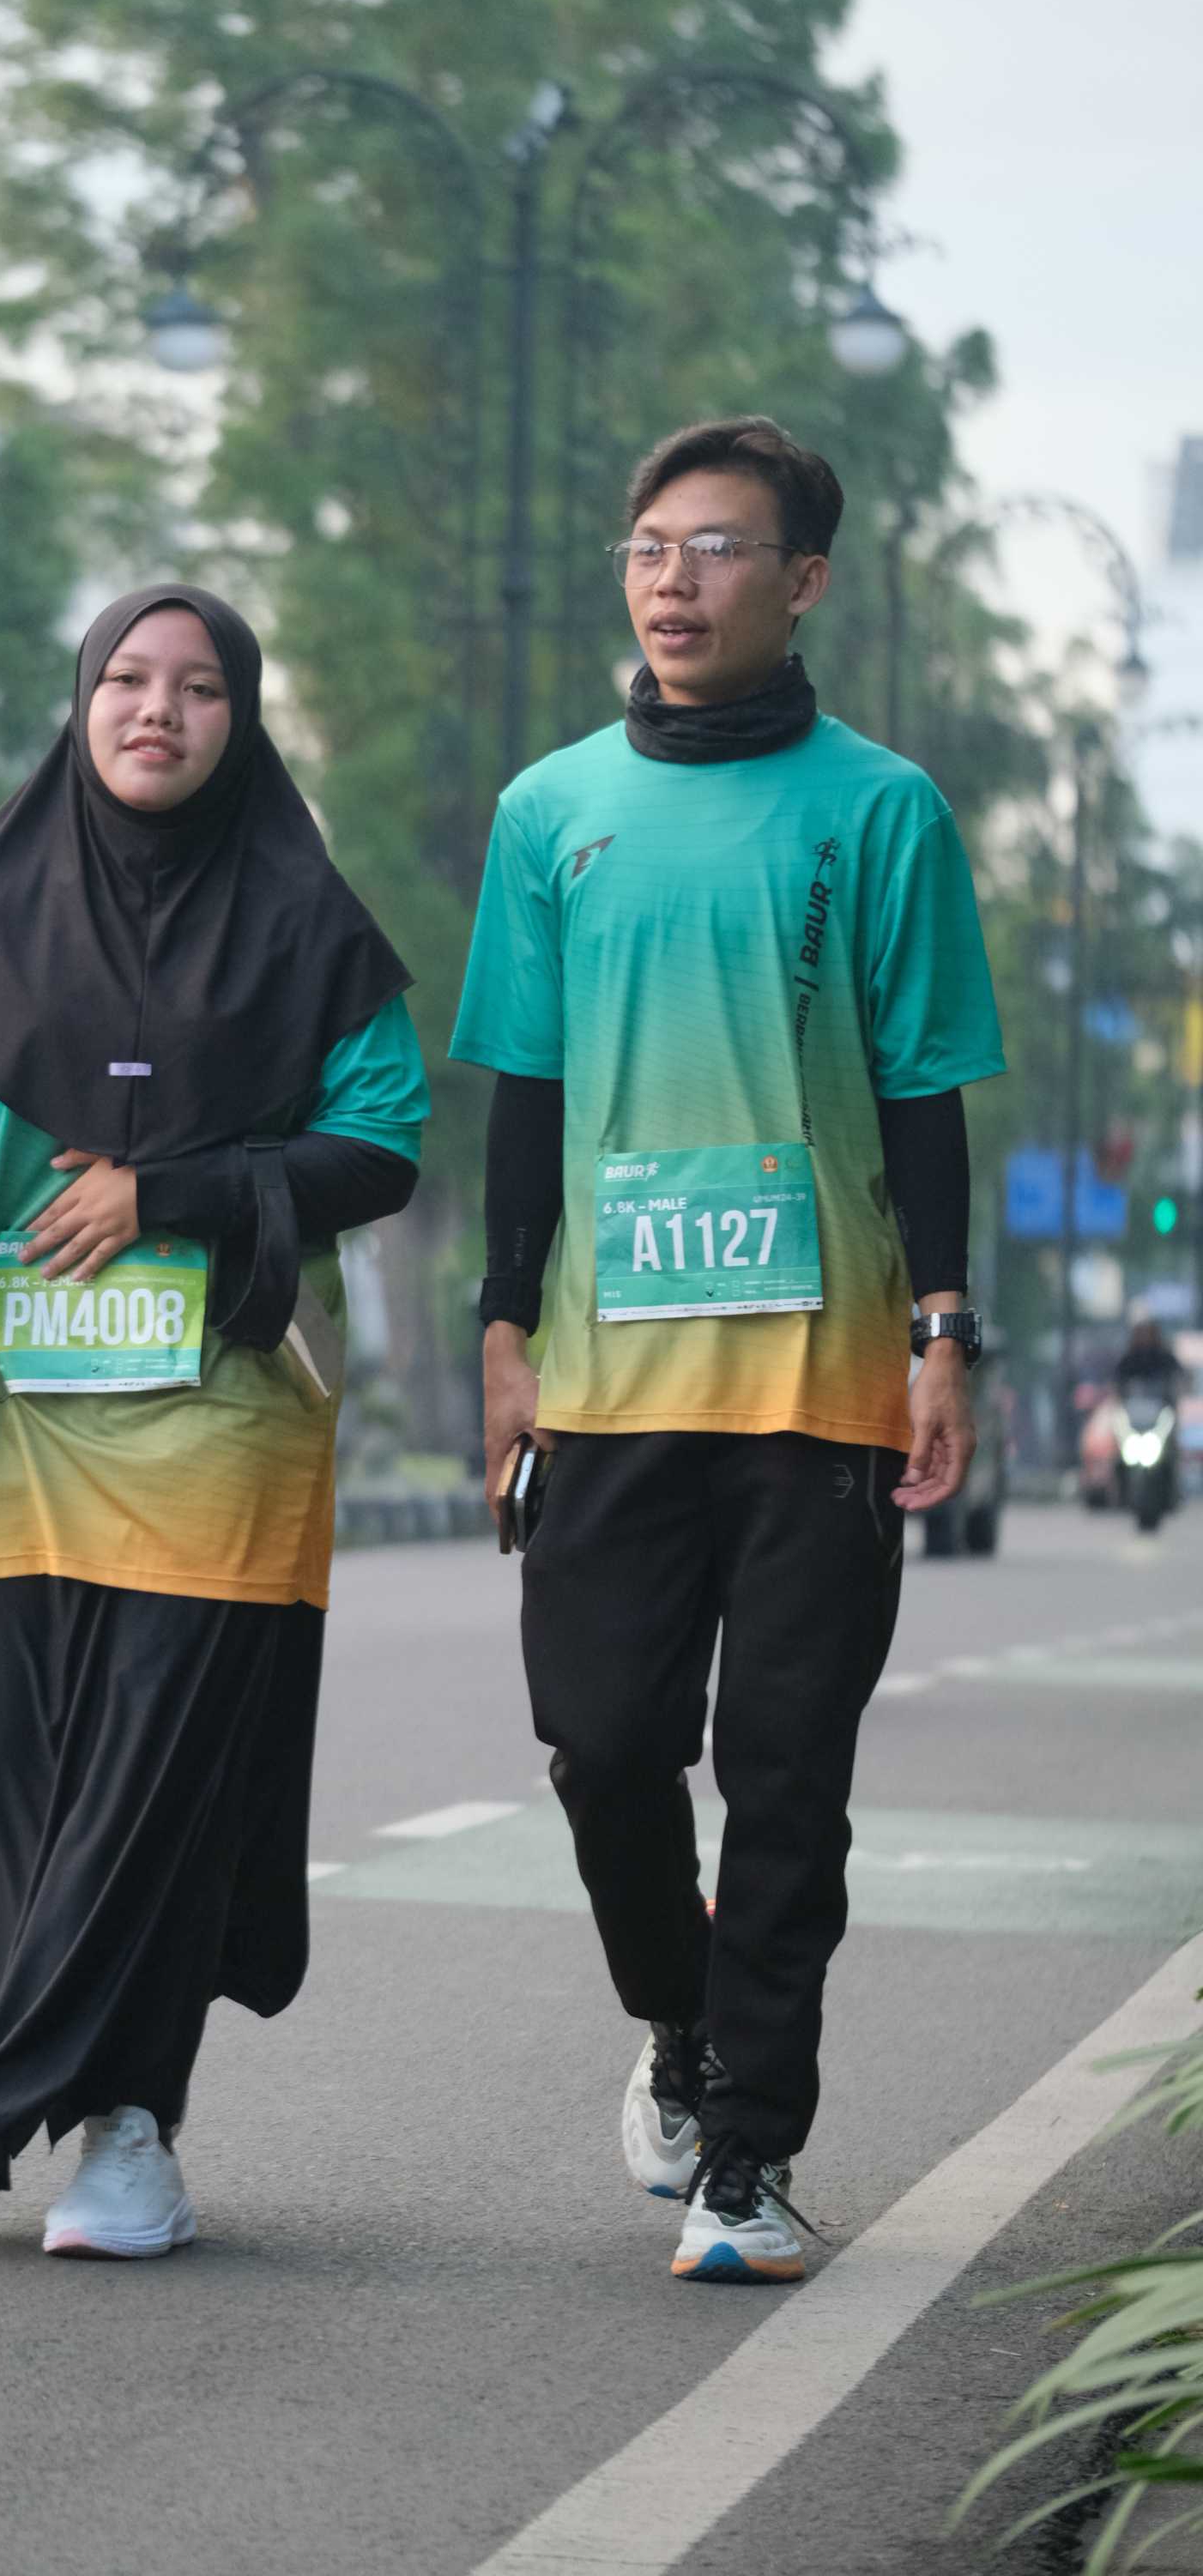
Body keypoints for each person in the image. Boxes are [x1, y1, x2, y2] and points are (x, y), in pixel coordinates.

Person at [450, 418, 1004, 2284]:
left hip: (821, 1383)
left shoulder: (883, 810)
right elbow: (522, 1093)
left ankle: (748, 2156)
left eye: (714, 548)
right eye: (647, 548)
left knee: (784, 1775)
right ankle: (677, 2020)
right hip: (608, 1380)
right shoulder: (549, 812)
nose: (670, 580)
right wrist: (501, 1324)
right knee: (604, 1748)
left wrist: (943, 1332)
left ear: (803, 580)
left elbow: (923, 1093)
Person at [0, 583, 428, 2256]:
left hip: (221, 1412)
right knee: (9, 1779)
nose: (156, 710)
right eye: (126, 677)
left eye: (198, 688)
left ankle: (121, 2128)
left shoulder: (310, 927)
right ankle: (54, 2083)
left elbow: (380, 1146)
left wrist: (164, 1188)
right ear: (82, 699)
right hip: (11, 1412)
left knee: (146, 1793)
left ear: (240, 720)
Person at [1115, 1311, 1187, 1402]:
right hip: (1134, 1403)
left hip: (1162, 1402)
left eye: (1148, 1333)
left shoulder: (1165, 1358)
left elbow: (1179, 1376)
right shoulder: (1129, 1360)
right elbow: (1119, 1380)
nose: (1145, 1337)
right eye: (1141, 1333)